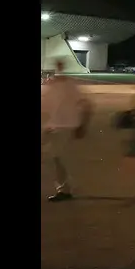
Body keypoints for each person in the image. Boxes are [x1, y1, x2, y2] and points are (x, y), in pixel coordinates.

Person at [42, 59, 93, 202]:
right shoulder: (53, 85)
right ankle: (64, 188)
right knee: (55, 158)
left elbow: (86, 105)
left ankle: (64, 189)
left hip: (65, 126)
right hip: (54, 126)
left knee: (56, 157)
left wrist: (83, 124)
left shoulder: (69, 85)